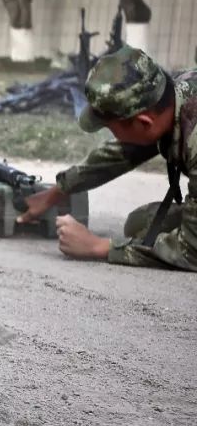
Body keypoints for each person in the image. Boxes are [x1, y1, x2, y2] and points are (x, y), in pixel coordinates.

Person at [18, 45, 197, 270]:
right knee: (142, 224)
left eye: (111, 128)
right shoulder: (170, 95)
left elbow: (192, 251)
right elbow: (119, 154)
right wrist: (58, 191)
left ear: (143, 122)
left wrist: (99, 247)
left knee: (154, 233)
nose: (113, 136)